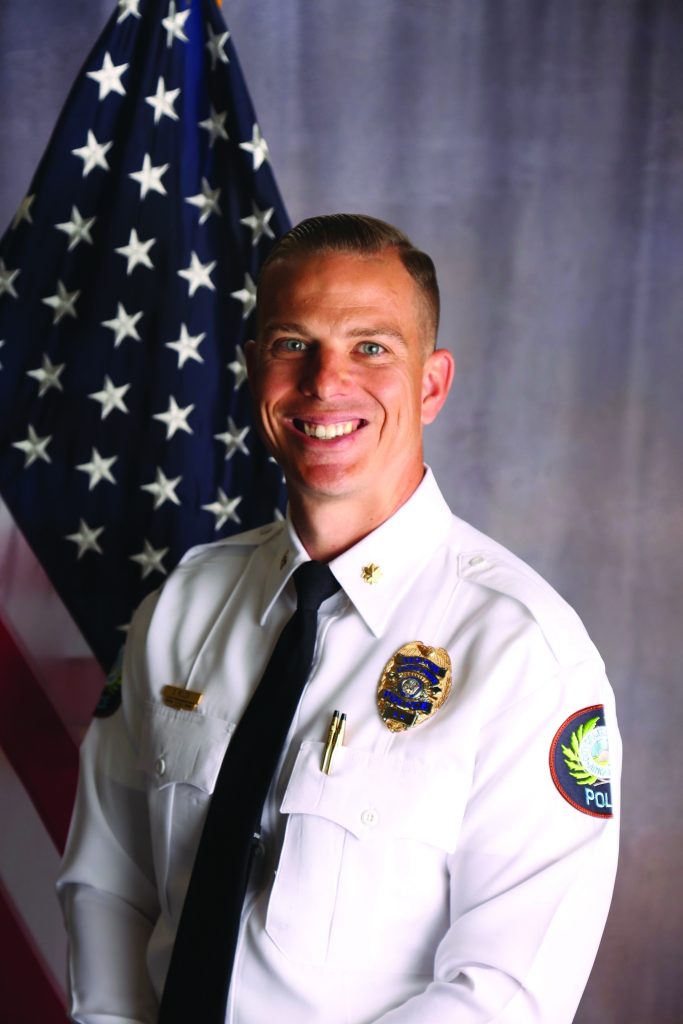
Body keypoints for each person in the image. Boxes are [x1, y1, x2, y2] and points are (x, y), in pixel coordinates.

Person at [58, 214, 621, 1023]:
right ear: (255, 369)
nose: (325, 383)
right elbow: (108, 882)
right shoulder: (183, 608)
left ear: (431, 384)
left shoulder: (524, 652)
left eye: (371, 348)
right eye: (293, 344)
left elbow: (503, 994)